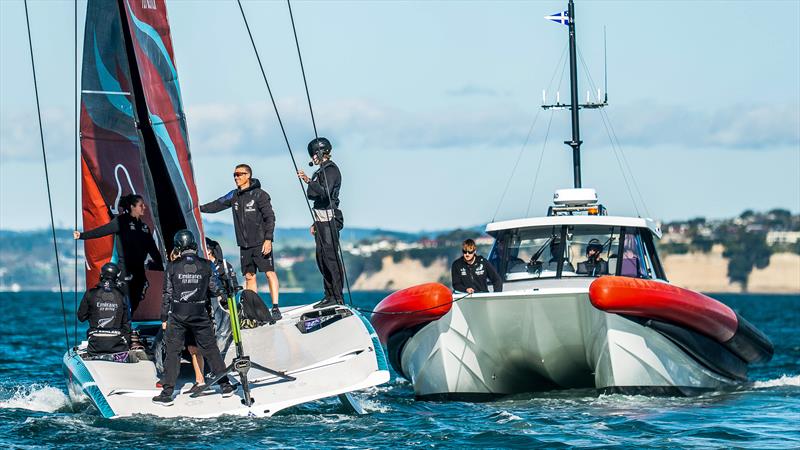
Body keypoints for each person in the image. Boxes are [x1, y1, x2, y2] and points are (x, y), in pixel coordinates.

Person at [152, 230, 234, 406]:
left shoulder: (172, 266)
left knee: (173, 353)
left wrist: (163, 318)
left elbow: (167, 294)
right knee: (211, 349)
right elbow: (214, 289)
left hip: (178, 314)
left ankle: (167, 394)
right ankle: (225, 386)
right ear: (194, 245)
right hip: (199, 313)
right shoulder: (206, 265)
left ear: (179, 247)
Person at [200, 165, 281, 320]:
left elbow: (270, 218)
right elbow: (218, 204)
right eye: (234, 175)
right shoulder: (234, 195)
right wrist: (198, 208)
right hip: (244, 245)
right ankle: (254, 309)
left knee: (269, 272)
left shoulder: (260, 195)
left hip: (261, 242)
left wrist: (268, 239)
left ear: (248, 175)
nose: (236, 177)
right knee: (249, 276)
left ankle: (275, 307)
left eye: (239, 174)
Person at [74, 194, 164, 315]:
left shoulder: (144, 227)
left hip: (139, 272)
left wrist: (162, 266)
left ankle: (127, 327)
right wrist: (82, 236)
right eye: (141, 205)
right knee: (124, 302)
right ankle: (122, 328)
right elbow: (102, 231)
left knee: (135, 300)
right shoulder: (121, 222)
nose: (144, 207)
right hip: (124, 271)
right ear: (132, 207)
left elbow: (153, 250)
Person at [297, 137, 345, 309]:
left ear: (320, 153)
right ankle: (329, 294)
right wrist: (314, 222)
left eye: (313, 154)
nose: (312, 158)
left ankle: (338, 297)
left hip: (329, 220)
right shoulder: (320, 171)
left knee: (331, 258)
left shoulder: (331, 170)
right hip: (319, 220)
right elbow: (316, 198)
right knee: (321, 259)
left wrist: (308, 181)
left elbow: (325, 194)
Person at [77, 262, 131, 357]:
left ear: (101, 275)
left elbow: (81, 317)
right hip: (117, 347)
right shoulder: (122, 296)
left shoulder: (90, 293)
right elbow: (126, 324)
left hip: (95, 347)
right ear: (116, 278)